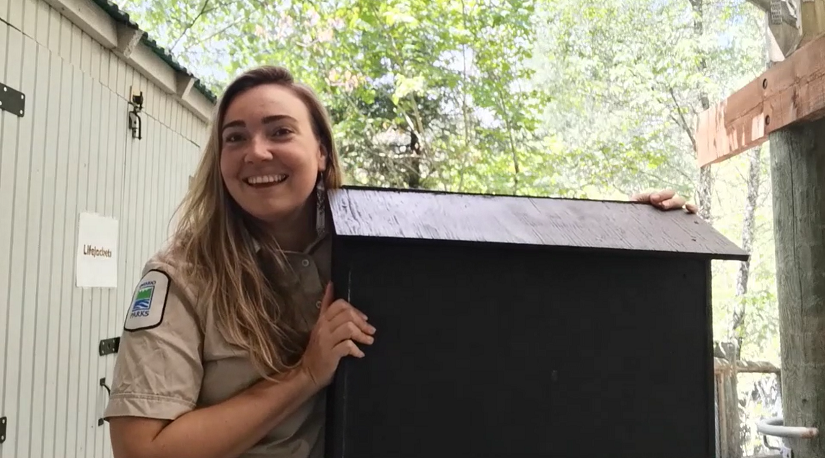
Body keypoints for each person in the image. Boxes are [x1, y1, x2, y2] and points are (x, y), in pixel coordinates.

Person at [103, 65, 698, 458]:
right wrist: (305, 375)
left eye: (279, 131)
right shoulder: (184, 275)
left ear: (319, 150)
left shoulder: (378, 248)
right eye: (234, 137)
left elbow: (515, 281)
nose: (256, 151)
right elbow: (143, 450)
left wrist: (636, 230)